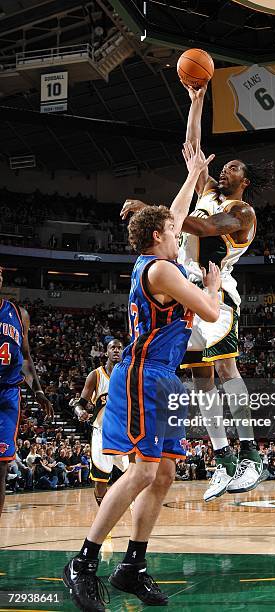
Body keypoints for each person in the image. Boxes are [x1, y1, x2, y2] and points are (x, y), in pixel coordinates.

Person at [62, 142, 220, 611]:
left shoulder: (155, 259)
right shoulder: (162, 273)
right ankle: (83, 563)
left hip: (165, 377)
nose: (179, 233)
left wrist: (192, 175)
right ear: (156, 237)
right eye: (173, 232)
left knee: (166, 472)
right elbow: (210, 312)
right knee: (142, 471)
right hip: (142, 375)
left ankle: (132, 565)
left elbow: (172, 211)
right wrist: (211, 287)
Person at [121, 84, 275, 502]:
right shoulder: (207, 193)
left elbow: (205, 229)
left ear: (247, 181)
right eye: (225, 167)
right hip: (186, 288)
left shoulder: (242, 212)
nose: (225, 170)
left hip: (216, 291)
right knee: (200, 381)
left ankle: (252, 455)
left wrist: (155, 215)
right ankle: (223, 460)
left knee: (227, 372)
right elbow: (192, 150)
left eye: (234, 168)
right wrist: (196, 99)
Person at [0, 267, 53, 517]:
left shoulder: (18, 314)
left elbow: (25, 356)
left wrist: (38, 390)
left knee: (1, 466)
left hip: (8, 394)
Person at [73, 339, 127, 507]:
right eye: (113, 348)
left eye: (119, 348)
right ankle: (103, 517)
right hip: (102, 433)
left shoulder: (129, 375)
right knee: (101, 479)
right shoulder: (96, 375)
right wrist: (80, 412)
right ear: (106, 352)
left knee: (135, 474)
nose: (116, 350)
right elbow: (79, 403)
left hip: (124, 433)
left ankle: (132, 508)